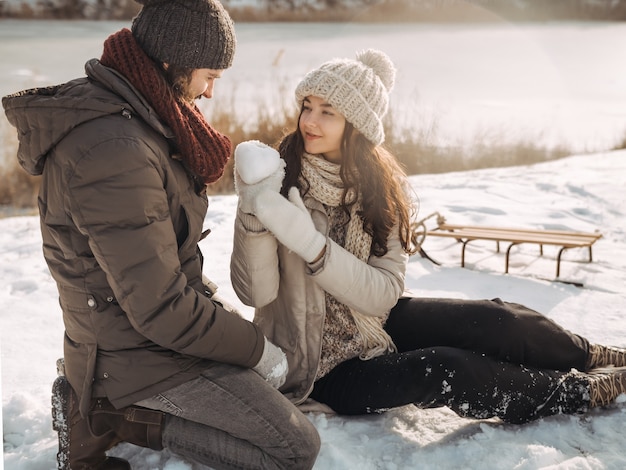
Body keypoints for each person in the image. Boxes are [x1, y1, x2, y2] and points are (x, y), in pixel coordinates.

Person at [230, 49, 626, 428]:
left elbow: (383, 294)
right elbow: (256, 295)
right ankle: (575, 391)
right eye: (307, 106)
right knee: (445, 367)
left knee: (494, 318)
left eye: (327, 112)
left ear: (356, 125)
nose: (309, 121)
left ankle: (590, 354)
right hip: (319, 367)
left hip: (372, 326)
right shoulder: (276, 181)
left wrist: (311, 245)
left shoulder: (377, 190)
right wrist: (254, 213)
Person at [2, 1, 320, 469]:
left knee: (278, 393)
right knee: (294, 448)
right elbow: (161, 309)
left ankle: (108, 401)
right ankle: (112, 414)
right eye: (209, 76)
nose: (210, 93)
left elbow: (166, 272)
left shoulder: (141, 119)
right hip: (131, 355)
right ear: (172, 61)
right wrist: (255, 348)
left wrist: (229, 324)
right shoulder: (114, 149)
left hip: (147, 334)